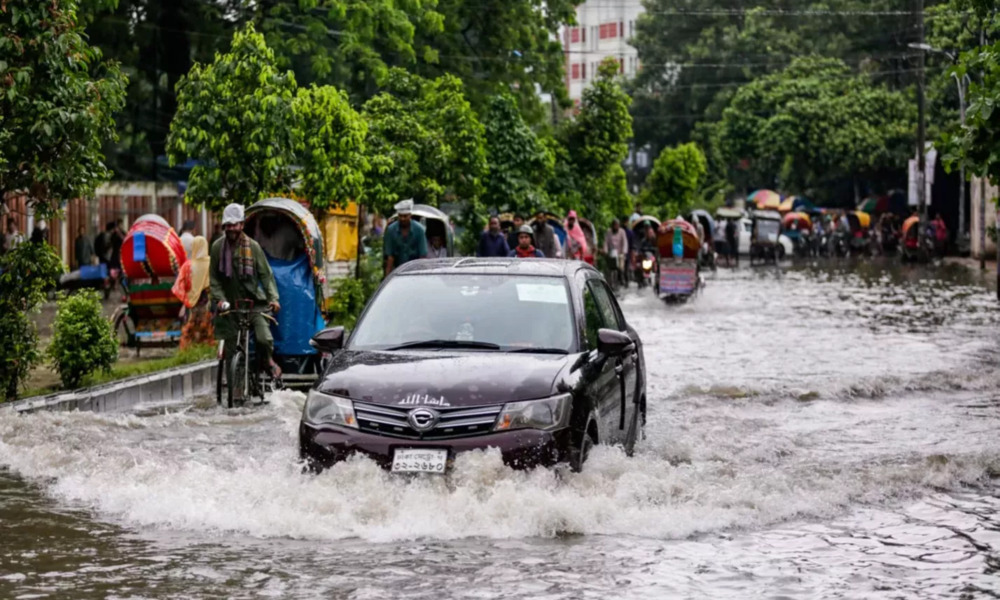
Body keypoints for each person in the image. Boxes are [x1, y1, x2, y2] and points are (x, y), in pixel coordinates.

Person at [210, 203, 282, 378]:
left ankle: (267, 361)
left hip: (254, 305)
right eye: (228, 225)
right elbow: (214, 280)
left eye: (235, 225)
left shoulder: (253, 247)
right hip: (230, 306)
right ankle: (234, 386)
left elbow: (266, 275)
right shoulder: (217, 248)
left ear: (241, 225)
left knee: (264, 339)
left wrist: (273, 298)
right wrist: (219, 299)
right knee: (230, 347)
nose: (231, 229)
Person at [172, 236, 214, 350]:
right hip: (206, 303)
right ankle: (207, 350)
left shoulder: (187, 265)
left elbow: (179, 286)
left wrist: (186, 299)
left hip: (191, 305)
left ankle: (187, 352)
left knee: (189, 331)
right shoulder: (211, 263)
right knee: (207, 330)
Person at [384, 199, 428, 275]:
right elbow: (390, 257)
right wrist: (387, 276)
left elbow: (422, 256)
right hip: (397, 271)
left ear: (410, 215)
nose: (402, 219)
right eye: (400, 216)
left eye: (405, 216)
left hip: (415, 271)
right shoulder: (391, 230)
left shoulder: (419, 230)